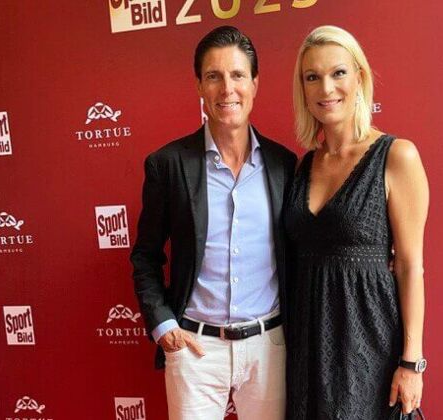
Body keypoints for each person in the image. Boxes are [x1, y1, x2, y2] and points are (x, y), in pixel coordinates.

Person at [130, 26, 296, 420]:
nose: (227, 89)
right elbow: (145, 257)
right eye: (213, 76)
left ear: (254, 83)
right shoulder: (168, 165)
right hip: (195, 349)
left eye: (238, 75)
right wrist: (163, 325)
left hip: (269, 346)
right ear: (199, 87)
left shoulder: (284, 165)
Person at [284, 25, 429, 419]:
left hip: (369, 347)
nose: (326, 87)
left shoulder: (396, 156)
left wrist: (412, 362)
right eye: (312, 77)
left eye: (338, 73)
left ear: (360, 78)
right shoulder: (303, 166)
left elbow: (410, 266)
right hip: (308, 347)